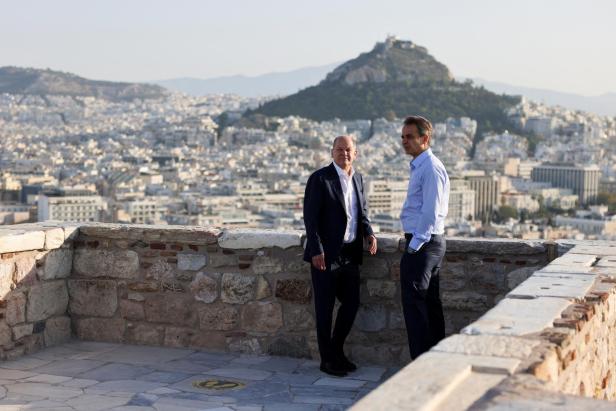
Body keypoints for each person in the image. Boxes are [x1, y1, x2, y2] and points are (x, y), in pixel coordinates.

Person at [303, 135, 377, 377]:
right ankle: (327, 360)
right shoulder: (320, 178)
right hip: (326, 254)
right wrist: (316, 250)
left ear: (355, 153)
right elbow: (310, 219)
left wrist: (369, 233)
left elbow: (361, 212)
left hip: (350, 253)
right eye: (339, 149)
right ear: (331, 151)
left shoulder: (358, 178)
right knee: (324, 309)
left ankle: (336, 351)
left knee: (351, 303)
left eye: (348, 150)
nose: (344, 153)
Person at [399, 115, 450, 360]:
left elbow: (430, 211)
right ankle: (433, 359)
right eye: (403, 136)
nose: (404, 141)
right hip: (428, 242)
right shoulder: (423, 165)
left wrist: (414, 246)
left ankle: (420, 361)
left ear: (425, 138)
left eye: (410, 136)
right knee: (429, 304)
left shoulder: (430, 168)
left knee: (415, 304)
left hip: (424, 243)